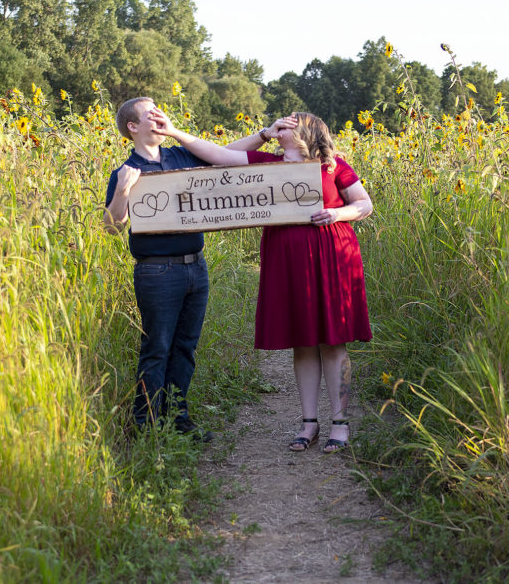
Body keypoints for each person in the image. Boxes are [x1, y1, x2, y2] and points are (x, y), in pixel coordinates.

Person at [151, 110, 373, 453]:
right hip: (286, 259)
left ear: (305, 131)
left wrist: (336, 213)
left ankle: (340, 422)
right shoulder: (266, 163)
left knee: (333, 341)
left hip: (330, 254)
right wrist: (176, 132)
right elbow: (217, 155)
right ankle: (309, 422)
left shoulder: (333, 166)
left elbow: (364, 204)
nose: (282, 123)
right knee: (303, 340)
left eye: (288, 121)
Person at [103, 97, 271, 442]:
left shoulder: (180, 156)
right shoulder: (126, 171)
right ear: (133, 127)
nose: (159, 115)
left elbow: (225, 153)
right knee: (157, 348)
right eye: (150, 113)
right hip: (157, 272)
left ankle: (178, 419)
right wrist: (122, 191)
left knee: (185, 348)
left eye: (159, 109)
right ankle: (146, 425)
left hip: (196, 267)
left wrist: (265, 135)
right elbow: (112, 226)